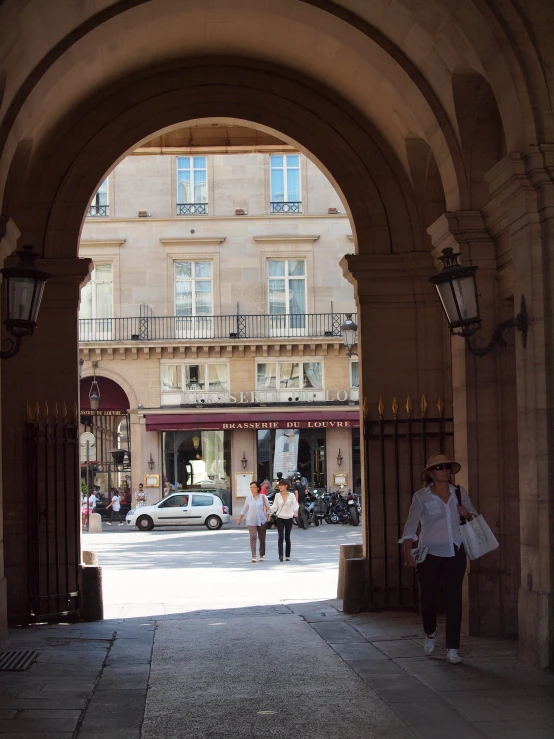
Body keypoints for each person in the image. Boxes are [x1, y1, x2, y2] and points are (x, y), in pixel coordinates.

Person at [399, 453, 478, 665]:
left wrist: (467, 514)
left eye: (447, 467)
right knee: (428, 598)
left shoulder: (459, 493)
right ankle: (430, 631)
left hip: (456, 551)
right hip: (430, 552)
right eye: (440, 467)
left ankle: (452, 648)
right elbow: (411, 525)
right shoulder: (421, 497)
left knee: (454, 599)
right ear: (431, 473)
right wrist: (408, 552)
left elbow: (474, 516)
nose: (445, 470)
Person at [237, 481, 271, 562]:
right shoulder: (248, 498)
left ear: (258, 488)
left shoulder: (263, 497)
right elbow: (244, 509)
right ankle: (253, 555)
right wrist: (240, 519)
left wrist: (267, 516)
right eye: (251, 487)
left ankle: (261, 554)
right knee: (253, 537)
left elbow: (268, 507)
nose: (252, 489)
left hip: (262, 520)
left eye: (254, 487)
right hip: (251, 521)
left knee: (262, 538)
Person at [270, 478, 299, 562]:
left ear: (286, 486)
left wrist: (295, 512)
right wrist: (268, 509)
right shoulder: (277, 495)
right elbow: (274, 507)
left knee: (287, 537)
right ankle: (281, 555)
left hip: (289, 518)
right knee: (281, 536)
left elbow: (295, 505)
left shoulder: (292, 495)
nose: (280, 486)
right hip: (280, 518)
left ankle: (288, 556)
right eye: (279, 485)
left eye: (281, 485)